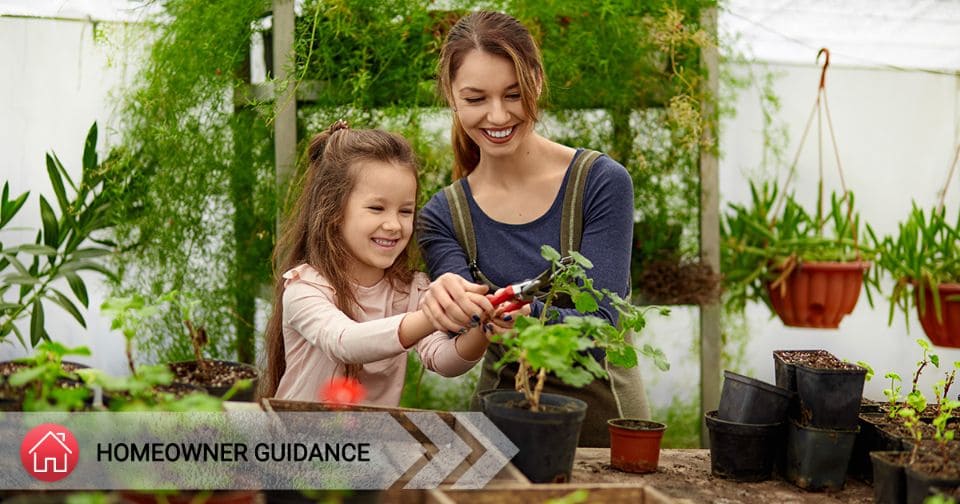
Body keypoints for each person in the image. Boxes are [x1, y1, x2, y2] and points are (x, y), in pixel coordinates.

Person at [417, 11, 649, 447]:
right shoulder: (443, 215)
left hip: (606, 432)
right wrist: (449, 304)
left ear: (537, 81)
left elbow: (604, 323)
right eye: (475, 98)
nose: (497, 115)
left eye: (513, 94)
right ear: (451, 95)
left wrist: (529, 315)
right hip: (496, 433)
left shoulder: (599, 182)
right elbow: (458, 337)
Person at [260, 121, 496, 406]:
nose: (394, 225)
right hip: (298, 443)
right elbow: (344, 342)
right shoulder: (305, 287)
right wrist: (432, 316)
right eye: (376, 208)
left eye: (405, 211)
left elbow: (443, 361)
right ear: (332, 210)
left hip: (369, 445)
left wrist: (484, 328)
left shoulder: (410, 289)